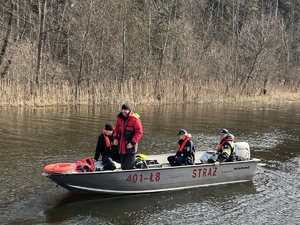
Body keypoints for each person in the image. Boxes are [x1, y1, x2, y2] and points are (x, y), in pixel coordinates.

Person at [113, 104, 143, 170]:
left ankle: (131, 176)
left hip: (130, 146)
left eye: (125, 110)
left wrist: (132, 143)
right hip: (122, 146)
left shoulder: (135, 119)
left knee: (129, 166)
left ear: (129, 110)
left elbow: (139, 132)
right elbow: (116, 130)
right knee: (123, 165)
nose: (124, 111)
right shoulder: (119, 119)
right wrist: (115, 138)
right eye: (123, 110)